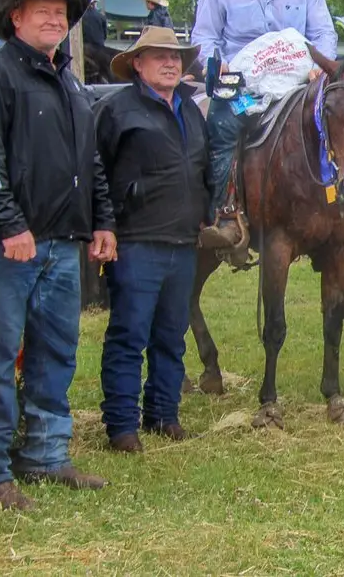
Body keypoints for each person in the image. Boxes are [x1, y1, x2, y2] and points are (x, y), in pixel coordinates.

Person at [0, 0, 117, 511]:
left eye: (61, 11)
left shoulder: (69, 83)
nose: (55, 18)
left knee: (56, 352)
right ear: (15, 18)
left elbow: (90, 161)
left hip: (63, 242)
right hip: (10, 247)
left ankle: (46, 455)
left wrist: (103, 220)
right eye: (42, 9)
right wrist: (8, 226)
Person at [192, 0, 339, 249]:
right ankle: (224, 213)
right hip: (245, 88)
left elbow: (324, 31)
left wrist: (320, 66)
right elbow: (204, 37)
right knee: (223, 124)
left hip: (301, 83)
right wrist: (219, 67)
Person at [96, 27, 208, 454]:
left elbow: (202, 165)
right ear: (137, 64)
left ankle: (164, 413)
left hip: (182, 240)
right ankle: (122, 426)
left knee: (171, 333)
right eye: (159, 56)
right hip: (136, 240)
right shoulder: (117, 110)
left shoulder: (190, 110)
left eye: (176, 57)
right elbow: (97, 173)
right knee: (129, 334)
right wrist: (105, 223)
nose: (170, 63)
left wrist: (208, 207)